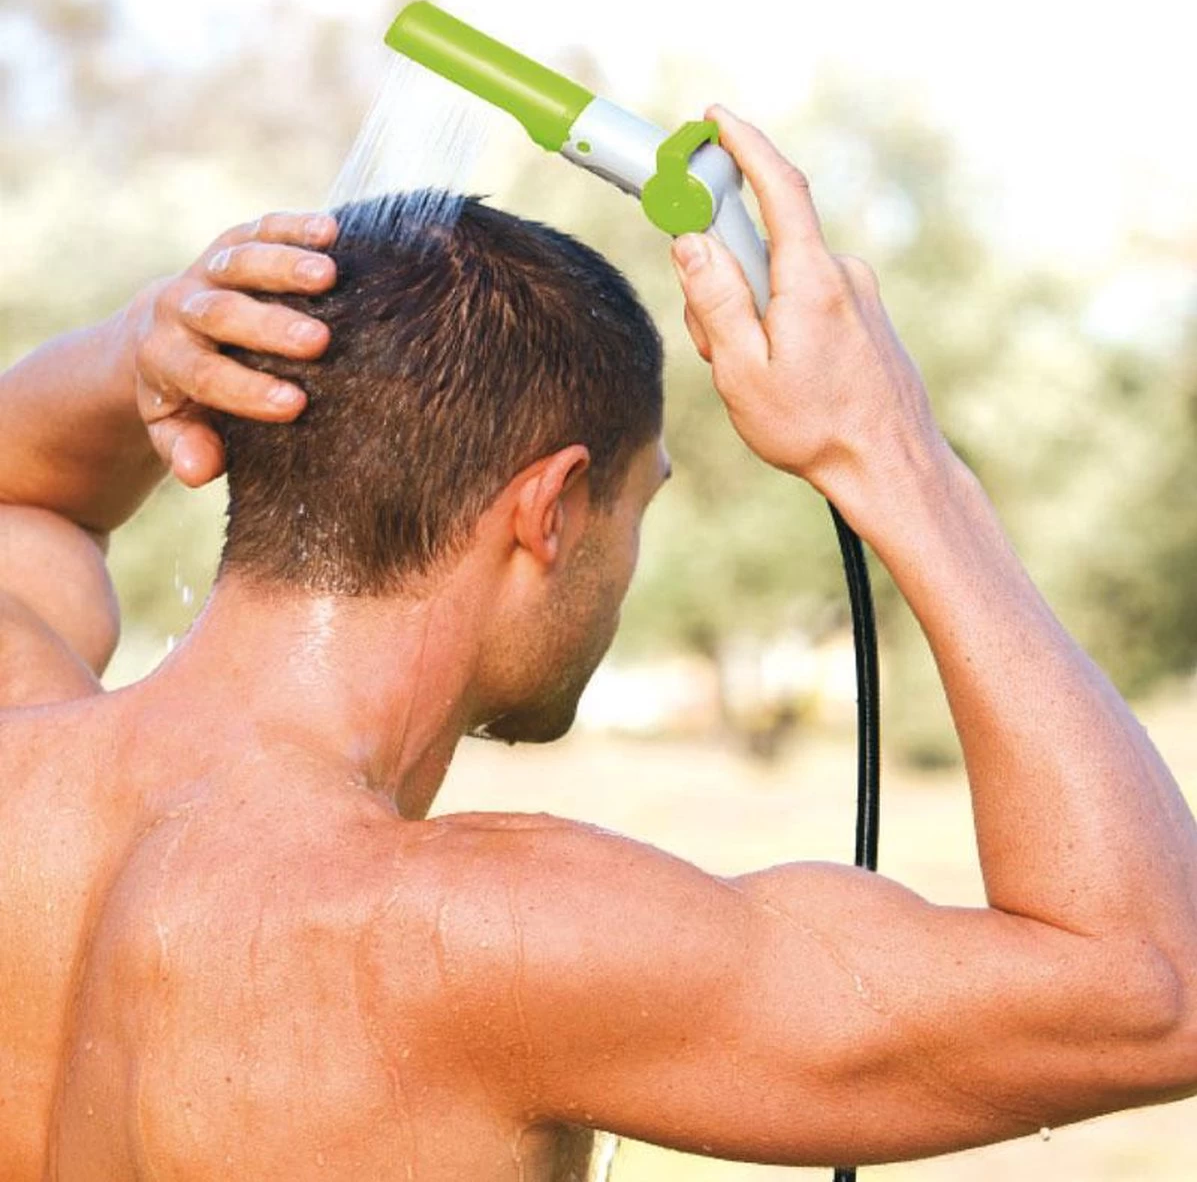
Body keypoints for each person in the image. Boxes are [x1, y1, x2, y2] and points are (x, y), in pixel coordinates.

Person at [0, 107, 1193, 1182]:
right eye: (638, 504)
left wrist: (137, 345)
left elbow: (24, 502)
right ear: (553, 509)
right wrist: (897, 456)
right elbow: (1156, 990)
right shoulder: (486, 940)